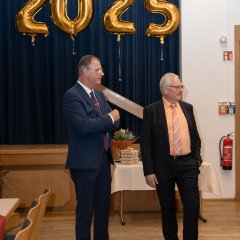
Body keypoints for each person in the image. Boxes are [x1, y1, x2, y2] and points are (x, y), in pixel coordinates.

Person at [63, 55, 120, 240]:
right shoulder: (72, 96)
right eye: (98, 70)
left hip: (103, 161)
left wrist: (108, 120)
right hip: (85, 164)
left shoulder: (99, 95)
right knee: (85, 213)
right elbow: (83, 126)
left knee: (103, 211)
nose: (102, 73)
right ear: (86, 71)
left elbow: (113, 125)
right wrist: (109, 118)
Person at [140, 73, 202, 240]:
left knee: (192, 207)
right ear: (165, 89)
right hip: (163, 166)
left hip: (188, 164)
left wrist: (196, 160)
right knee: (167, 209)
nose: (181, 90)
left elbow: (195, 137)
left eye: (181, 86)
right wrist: (149, 171)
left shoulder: (188, 108)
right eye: (177, 87)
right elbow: (145, 144)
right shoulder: (151, 111)